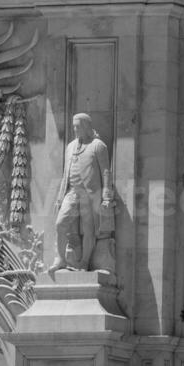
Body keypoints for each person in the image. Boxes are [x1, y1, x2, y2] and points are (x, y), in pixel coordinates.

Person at [51, 113, 114, 273]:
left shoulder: (98, 145)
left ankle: (84, 262)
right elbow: (66, 174)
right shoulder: (70, 146)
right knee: (60, 224)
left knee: (88, 230)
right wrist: (60, 197)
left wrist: (106, 197)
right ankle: (60, 259)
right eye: (73, 126)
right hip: (72, 193)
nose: (75, 129)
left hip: (90, 194)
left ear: (86, 127)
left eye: (78, 126)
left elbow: (106, 172)